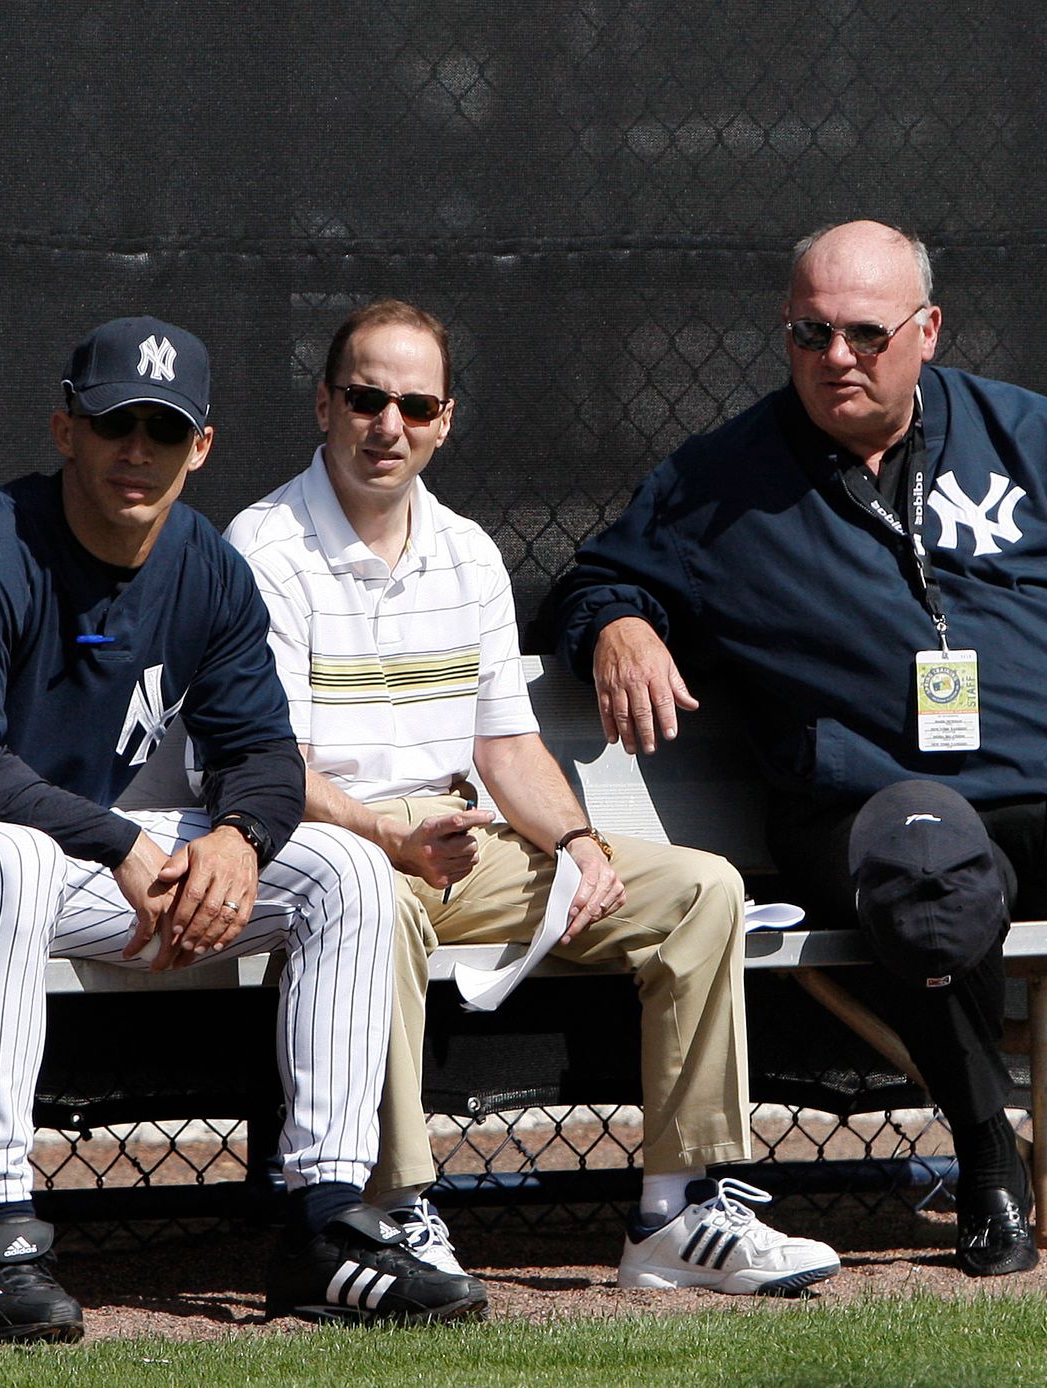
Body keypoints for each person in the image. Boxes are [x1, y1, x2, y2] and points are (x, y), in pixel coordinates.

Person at [540, 221, 1047, 1278]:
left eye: (866, 334)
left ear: (926, 331)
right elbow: (593, 576)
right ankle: (986, 1163)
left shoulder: (1030, 436)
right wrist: (618, 623)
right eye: (809, 332)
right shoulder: (720, 481)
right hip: (887, 805)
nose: (836, 357)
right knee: (935, 872)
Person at [0, 315, 486, 1343]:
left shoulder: (205, 565)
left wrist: (237, 841)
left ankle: (325, 1226)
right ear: (65, 428)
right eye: (114, 422)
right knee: (12, 854)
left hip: (66, 857)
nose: (137, 451)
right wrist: (124, 844)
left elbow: (261, 748)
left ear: (200, 446)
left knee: (346, 867)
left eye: (163, 431)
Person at [225, 299, 842, 1298]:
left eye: (415, 404)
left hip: (463, 845)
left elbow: (506, 743)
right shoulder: (263, 547)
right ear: (325, 404)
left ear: (446, 419)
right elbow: (272, 765)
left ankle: (675, 1215)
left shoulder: (466, 550)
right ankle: (392, 1211)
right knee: (364, 898)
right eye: (368, 398)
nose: (390, 425)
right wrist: (391, 832)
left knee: (701, 890)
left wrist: (583, 842)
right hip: (332, 850)